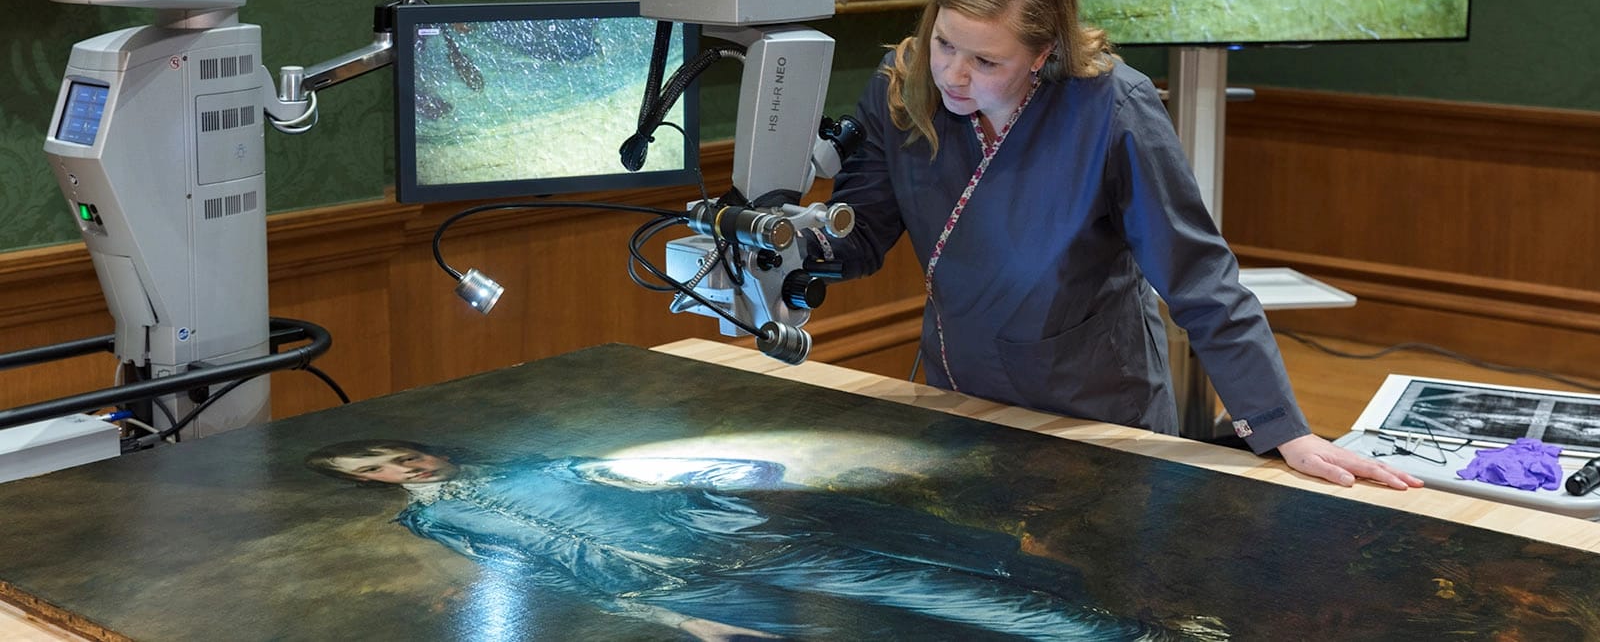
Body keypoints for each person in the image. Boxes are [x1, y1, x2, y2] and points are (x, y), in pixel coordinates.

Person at [814, 0, 1421, 490]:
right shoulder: (902, 86)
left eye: (987, 61)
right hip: (961, 401)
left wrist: (1280, 427)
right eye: (944, 42)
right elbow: (857, 235)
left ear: (1042, 52)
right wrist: (791, 245)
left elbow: (1199, 277)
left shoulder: (1112, 107)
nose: (953, 74)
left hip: (1096, 414)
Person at [306, 438, 1222, 641]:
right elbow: (533, 569)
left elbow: (641, 477)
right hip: (667, 587)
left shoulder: (533, 462)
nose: (396, 465)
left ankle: (1126, 635)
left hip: (734, 542)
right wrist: (679, 619)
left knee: (931, 586)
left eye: (393, 453)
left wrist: (727, 483)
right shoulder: (431, 518)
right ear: (371, 485)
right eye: (374, 468)